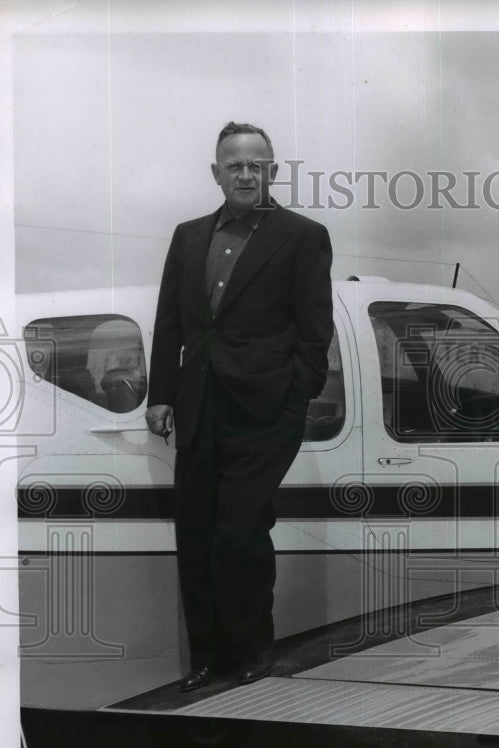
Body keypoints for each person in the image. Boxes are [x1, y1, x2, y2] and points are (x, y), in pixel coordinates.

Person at [145, 122, 333, 691]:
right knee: (198, 533)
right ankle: (208, 660)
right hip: (199, 404)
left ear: (272, 171)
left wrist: (294, 396)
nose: (246, 174)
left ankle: (252, 651)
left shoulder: (303, 236)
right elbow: (170, 322)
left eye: (257, 164)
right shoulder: (188, 236)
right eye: (235, 165)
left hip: (265, 413)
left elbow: (315, 329)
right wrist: (160, 394)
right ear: (216, 172)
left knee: (240, 533)